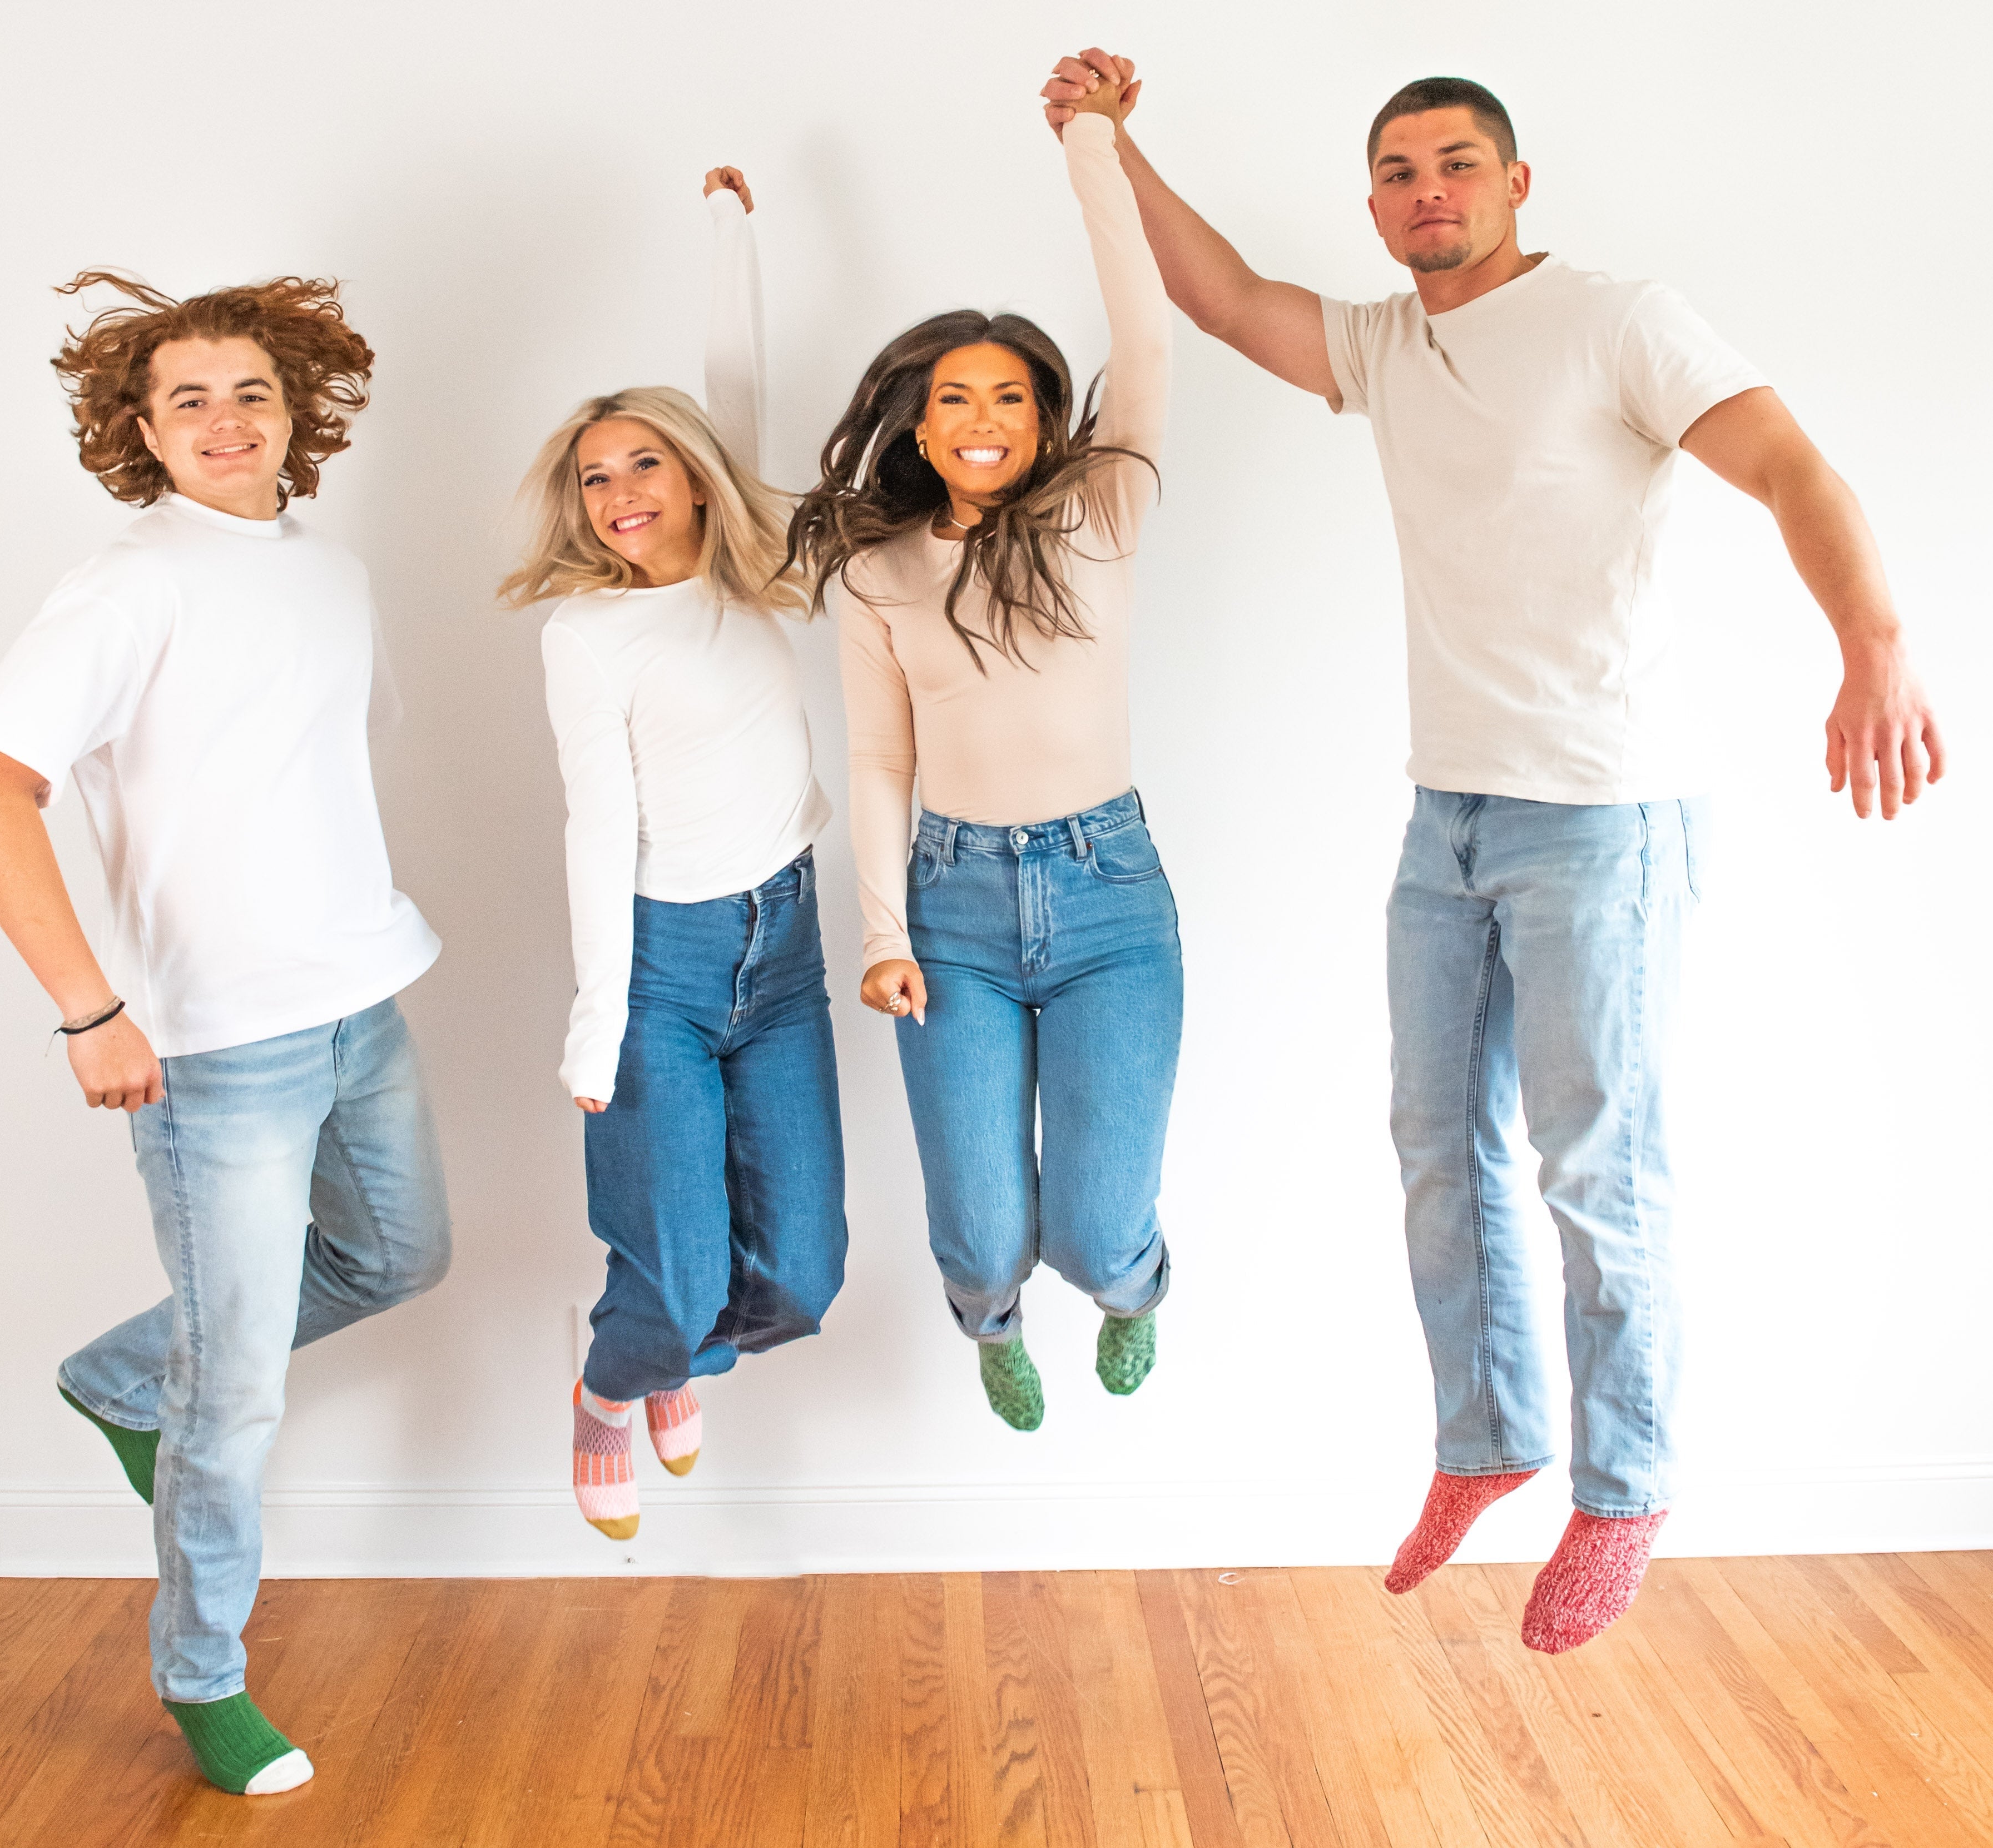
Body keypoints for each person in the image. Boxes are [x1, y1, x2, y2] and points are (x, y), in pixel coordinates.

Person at [1041, 54, 1944, 1649]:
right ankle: (1489, 1441)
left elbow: (1791, 465)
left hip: (1603, 815)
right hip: (1444, 812)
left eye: (1454, 162)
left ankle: (1627, 1485)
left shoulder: (1617, 320)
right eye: (1394, 171)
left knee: (1598, 1167)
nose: (1424, 191)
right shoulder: (1388, 346)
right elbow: (1228, 294)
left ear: (1516, 183)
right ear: (1376, 203)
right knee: (1437, 1148)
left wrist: (1872, 642)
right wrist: (1104, 139)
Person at [0, 272, 450, 1790]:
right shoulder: (126, 584)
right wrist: (90, 1007)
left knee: (399, 1255)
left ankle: (120, 1376)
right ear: (137, 430)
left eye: (251, 393)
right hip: (216, 1047)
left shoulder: (332, 571)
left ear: (299, 408)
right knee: (232, 1393)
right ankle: (206, 1678)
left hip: (362, 996)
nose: (225, 422)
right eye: (188, 400)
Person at [789, 76, 1175, 1432]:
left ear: (1044, 413)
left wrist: (1089, 142)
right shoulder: (880, 567)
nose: (981, 419)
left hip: (1107, 894)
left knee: (1095, 1215)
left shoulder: (1103, 505)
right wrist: (883, 932)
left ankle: (1130, 1291)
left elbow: (1143, 321)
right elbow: (879, 762)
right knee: (977, 1222)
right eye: (954, 398)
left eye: (1008, 396)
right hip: (949, 905)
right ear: (918, 420)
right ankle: (989, 1326)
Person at [503, 167, 846, 1542]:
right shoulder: (584, 636)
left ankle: (675, 1357)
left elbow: (732, 376)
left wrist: (730, 227)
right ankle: (608, 1390)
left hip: (785, 950)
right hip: (661, 967)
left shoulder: (743, 574)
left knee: (804, 1272)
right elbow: (598, 824)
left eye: (645, 463)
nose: (619, 492)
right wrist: (597, 1031)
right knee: (671, 1266)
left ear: (700, 478)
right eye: (594, 478)